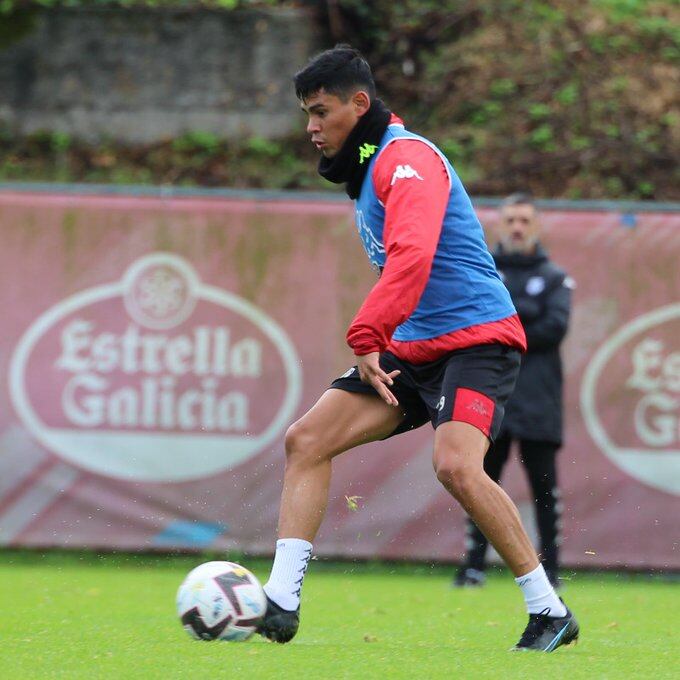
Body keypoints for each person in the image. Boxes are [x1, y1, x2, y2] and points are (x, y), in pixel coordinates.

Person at [257, 45, 579, 652]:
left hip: (480, 340)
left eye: (321, 111)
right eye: (306, 113)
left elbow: (413, 255)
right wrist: (386, 336)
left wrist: (367, 334)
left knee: (456, 464)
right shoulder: (368, 166)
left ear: (360, 103)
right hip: (417, 347)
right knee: (307, 441)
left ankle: (549, 610)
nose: (310, 127)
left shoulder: (405, 159)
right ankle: (280, 601)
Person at [454, 193, 574, 590]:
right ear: (499, 226)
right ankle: (473, 566)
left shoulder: (555, 277)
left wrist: (505, 320)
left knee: (544, 490)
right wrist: (525, 313)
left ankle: (550, 570)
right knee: (479, 479)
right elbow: (473, 317)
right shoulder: (480, 269)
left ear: (536, 225)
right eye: (511, 220)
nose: (518, 227)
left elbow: (554, 328)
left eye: (525, 220)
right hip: (491, 391)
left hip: (540, 398)